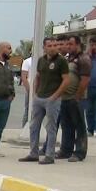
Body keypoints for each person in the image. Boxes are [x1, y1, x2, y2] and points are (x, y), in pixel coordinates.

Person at [19, 37, 69, 165]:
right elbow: (38, 76)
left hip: (52, 98)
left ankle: (49, 155)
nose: (53, 48)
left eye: (55, 45)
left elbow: (66, 80)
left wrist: (55, 96)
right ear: (44, 47)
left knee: (51, 127)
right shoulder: (41, 60)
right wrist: (35, 92)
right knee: (34, 126)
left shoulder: (61, 61)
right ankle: (33, 153)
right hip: (39, 97)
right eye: (50, 45)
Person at [58, 36, 90, 162]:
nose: (68, 46)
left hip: (76, 98)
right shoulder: (68, 58)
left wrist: (78, 95)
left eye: (71, 44)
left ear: (77, 45)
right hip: (65, 98)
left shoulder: (83, 59)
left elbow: (85, 79)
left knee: (79, 126)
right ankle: (66, 150)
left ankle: (79, 152)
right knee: (66, 126)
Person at [20, 53, 32, 126]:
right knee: (28, 109)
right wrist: (29, 90)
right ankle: (24, 127)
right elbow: (24, 78)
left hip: (42, 90)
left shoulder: (45, 60)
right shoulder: (27, 61)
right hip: (30, 88)